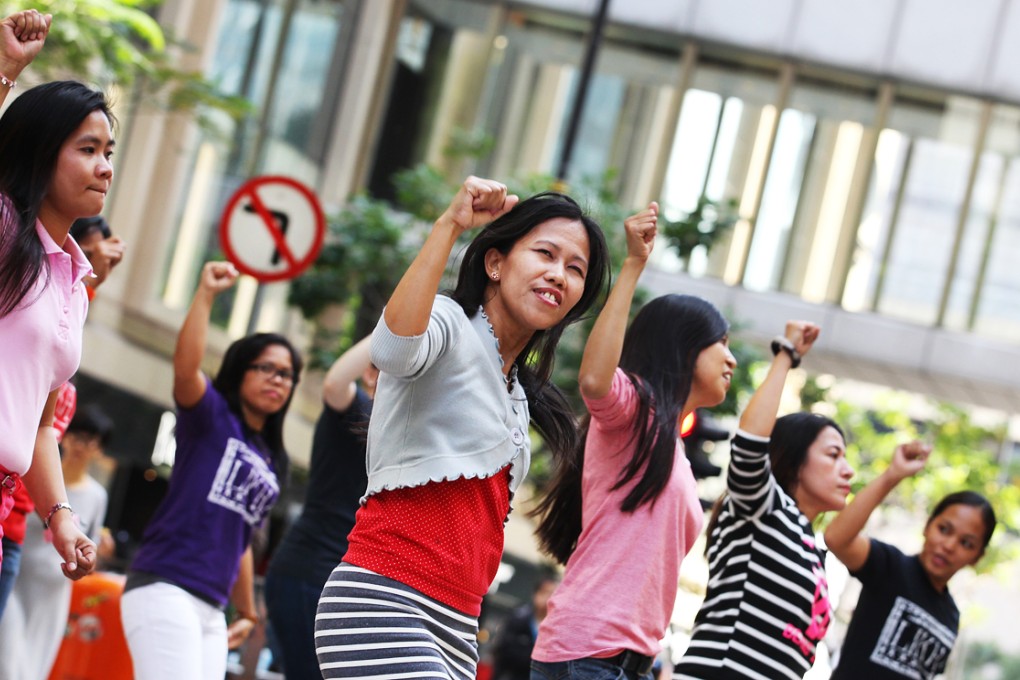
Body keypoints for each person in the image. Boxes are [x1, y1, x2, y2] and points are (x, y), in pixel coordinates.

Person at [314, 176, 611, 679]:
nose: (558, 274)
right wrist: (451, 224)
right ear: (495, 262)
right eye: (545, 253)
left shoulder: (519, 394)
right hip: (386, 598)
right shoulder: (451, 323)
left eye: (575, 268)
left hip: (457, 625)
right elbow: (390, 351)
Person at [529, 203, 737, 679]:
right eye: (719, 343)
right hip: (589, 655)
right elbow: (596, 380)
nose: (731, 359)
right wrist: (632, 266)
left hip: (625, 662)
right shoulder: (636, 414)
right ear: (683, 346)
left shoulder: (671, 448)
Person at [120, 261, 303, 680]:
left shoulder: (272, 458)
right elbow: (185, 368)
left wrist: (247, 610)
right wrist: (205, 294)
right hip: (165, 585)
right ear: (242, 372)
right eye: (268, 368)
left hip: (212, 609)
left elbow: (240, 537)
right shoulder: (211, 417)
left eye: (288, 375)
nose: (278, 379)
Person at [0, 8, 110, 594]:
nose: (105, 167)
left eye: (109, 152)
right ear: (41, 152)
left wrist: (60, 517)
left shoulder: (74, 280)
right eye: (88, 148)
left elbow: (43, 427)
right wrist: (6, 72)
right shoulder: (4, 228)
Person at [674, 321, 849, 680]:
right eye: (833, 455)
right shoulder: (765, 508)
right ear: (795, 458)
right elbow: (750, 445)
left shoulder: (809, 545)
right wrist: (787, 354)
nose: (848, 471)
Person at [823, 445, 996, 679]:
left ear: (977, 557)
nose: (949, 545)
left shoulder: (951, 618)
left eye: (966, 543)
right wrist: (891, 476)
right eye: (944, 529)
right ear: (927, 526)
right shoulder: (891, 567)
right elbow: (836, 538)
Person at [264, 334, 378, 679]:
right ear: (371, 374)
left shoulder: (403, 433)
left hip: (333, 580)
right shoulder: (358, 408)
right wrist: (393, 323)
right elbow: (335, 381)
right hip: (307, 572)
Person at [0, 404, 113, 680]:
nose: (81, 446)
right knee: (8, 664)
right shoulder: (38, 477)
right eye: (77, 436)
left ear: (98, 449)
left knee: (35, 667)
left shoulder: (98, 496)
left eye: (91, 441)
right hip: (18, 578)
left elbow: (92, 541)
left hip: (53, 592)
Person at [491, 574, 558, 680]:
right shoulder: (518, 617)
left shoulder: (556, 627)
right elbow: (503, 650)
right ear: (536, 593)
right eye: (545, 593)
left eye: (553, 594)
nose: (548, 598)